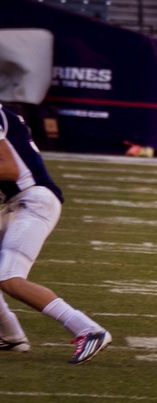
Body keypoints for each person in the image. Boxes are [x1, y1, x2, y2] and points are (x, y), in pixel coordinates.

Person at [0, 102, 111, 364]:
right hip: (14, 203)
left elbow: (10, 168)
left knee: (10, 278)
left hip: (32, 201)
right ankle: (10, 335)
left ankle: (88, 330)